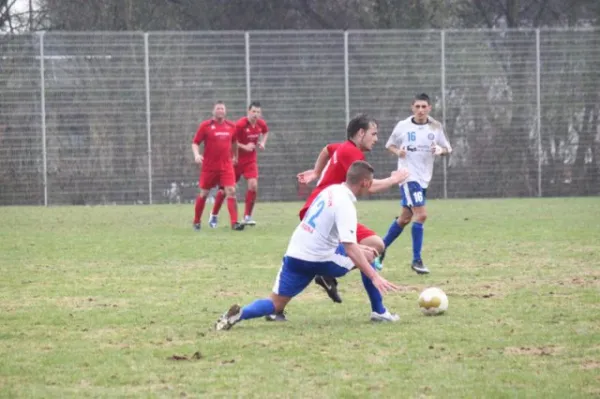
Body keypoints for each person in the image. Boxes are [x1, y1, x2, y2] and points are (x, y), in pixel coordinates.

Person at [215, 161, 403, 331]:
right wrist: (375, 276)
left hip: (296, 253)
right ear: (365, 183)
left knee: (275, 304)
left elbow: (326, 232)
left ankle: (239, 315)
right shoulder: (345, 204)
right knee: (369, 256)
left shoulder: (330, 191)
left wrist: (359, 250)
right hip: (319, 258)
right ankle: (379, 312)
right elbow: (351, 248)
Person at [291, 114, 409, 307]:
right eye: (374, 133)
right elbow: (368, 186)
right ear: (361, 133)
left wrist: (316, 172)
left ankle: (326, 274)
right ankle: (324, 274)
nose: (376, 139)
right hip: (322, 214)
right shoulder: (352, 153)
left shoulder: (343, 148)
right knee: (331, 255)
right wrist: (394, 179)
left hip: (327, 211)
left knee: (376, 244)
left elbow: (327, 149)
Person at [381, 93, 452, 274]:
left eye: (424, 107)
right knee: (421, 216)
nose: (420, 110)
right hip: (408, 176)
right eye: (417, 106)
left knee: (404, 219)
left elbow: (448, 149)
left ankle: (379, 249)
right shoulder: (402, 126)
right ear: (412, 108)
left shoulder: (436, 127)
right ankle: (416, 260)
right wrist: (398, 152)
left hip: (424, 178)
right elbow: (389, 145)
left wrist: (440, 150)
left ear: (429, 108)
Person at [209, 101, 268, 227]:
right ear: (248, 111)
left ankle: (247, 216)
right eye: (253, 111)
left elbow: (266, 131)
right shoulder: (240, 125)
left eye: (258, 112)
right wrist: (245, 147)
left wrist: (263, 142)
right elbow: (231, 141)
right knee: (225, 191)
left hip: (250, 161)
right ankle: (214, 215)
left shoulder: (260, 124)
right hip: (235, 161)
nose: (255, 114)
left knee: (253, 185)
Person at [191, 101, 245, 231]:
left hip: (226, 166)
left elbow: (234, 142)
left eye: (222, 108)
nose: (220, 110)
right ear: (213, 111)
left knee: (231, 191)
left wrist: (235, 156)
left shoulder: (231, 126)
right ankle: (196, 221)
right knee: (204, 193)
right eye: (218, 108)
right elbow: (195, 143)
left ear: (225, 111)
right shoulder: (205, 126)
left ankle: (234, 223)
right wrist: (196, 155)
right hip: (209, 167)